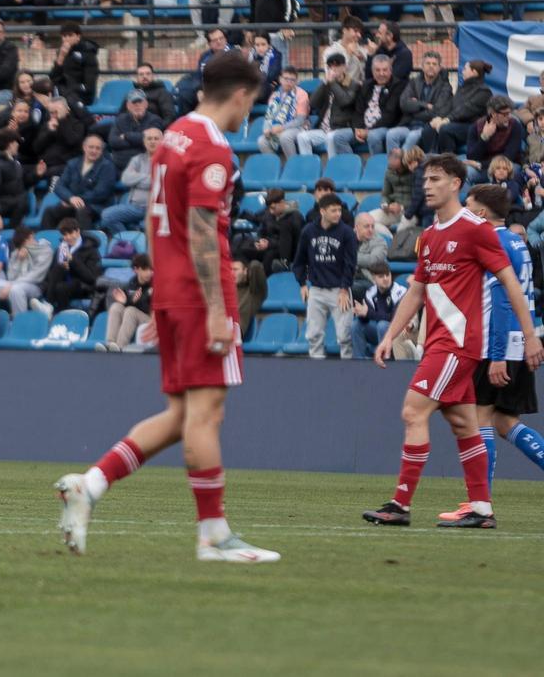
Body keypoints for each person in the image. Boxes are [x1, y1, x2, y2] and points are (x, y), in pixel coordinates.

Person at [54, 52, 279, 562]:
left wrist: (159, 298)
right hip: (202, 296)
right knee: (206, 413)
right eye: (253, 99)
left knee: (181, 414)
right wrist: (219, 309)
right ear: (241, 94)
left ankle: (89, 485)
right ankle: (214, 536)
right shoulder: (212, 147)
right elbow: (201, 230)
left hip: (175, 292)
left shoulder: (173, 136)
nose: (252, 109)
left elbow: (157, 226)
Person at [364, 155, 544, 530]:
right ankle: (480, 508)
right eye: (425, 179)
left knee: (413, 412)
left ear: (456, 184)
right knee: (464, 424)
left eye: (435, 178)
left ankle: (400, 504)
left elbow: (510, 284)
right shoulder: (429, 236)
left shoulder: (476, 229)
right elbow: (416, 291)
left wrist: (529, 336)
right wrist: (390, 335)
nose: (427, 185)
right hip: (440, 344)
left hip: (458, 346)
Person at [439, 184, 544, 519]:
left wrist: (497, 354)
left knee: (478, 419)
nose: (464, 209)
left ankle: (479, 505)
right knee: (503, 421)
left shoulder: (492, 241)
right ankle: (479, 503)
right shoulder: (517, 241)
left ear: (481, 212)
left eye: (468, 205)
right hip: (520, 343)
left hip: (497, 345)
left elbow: (500, 301)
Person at [292, 192, 357, 359]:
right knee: (313, 335)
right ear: (322, 211)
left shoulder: (347, 232)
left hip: (339, 291)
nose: (338, 214)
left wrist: (344, 288)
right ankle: (317, 369)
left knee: (345, 336)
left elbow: (350, 264)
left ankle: (348, 368)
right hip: (317, 290)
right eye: (333, 210)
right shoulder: (308, 231)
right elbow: (299, 260)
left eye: (339, 210)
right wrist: (302, 283)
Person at [98, 253, 155, 352]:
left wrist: (132, 302)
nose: (149, 273)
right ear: (136, 270)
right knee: (116, 306)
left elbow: (147, 308)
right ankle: (110, 343)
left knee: (130, 311)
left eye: (151, 270)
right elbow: (131, 302)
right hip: (137, 314)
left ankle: (120, 346)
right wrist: (124, 302)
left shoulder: (155, 284)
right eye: (145, 269)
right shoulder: (132, 283)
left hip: (151, 320)